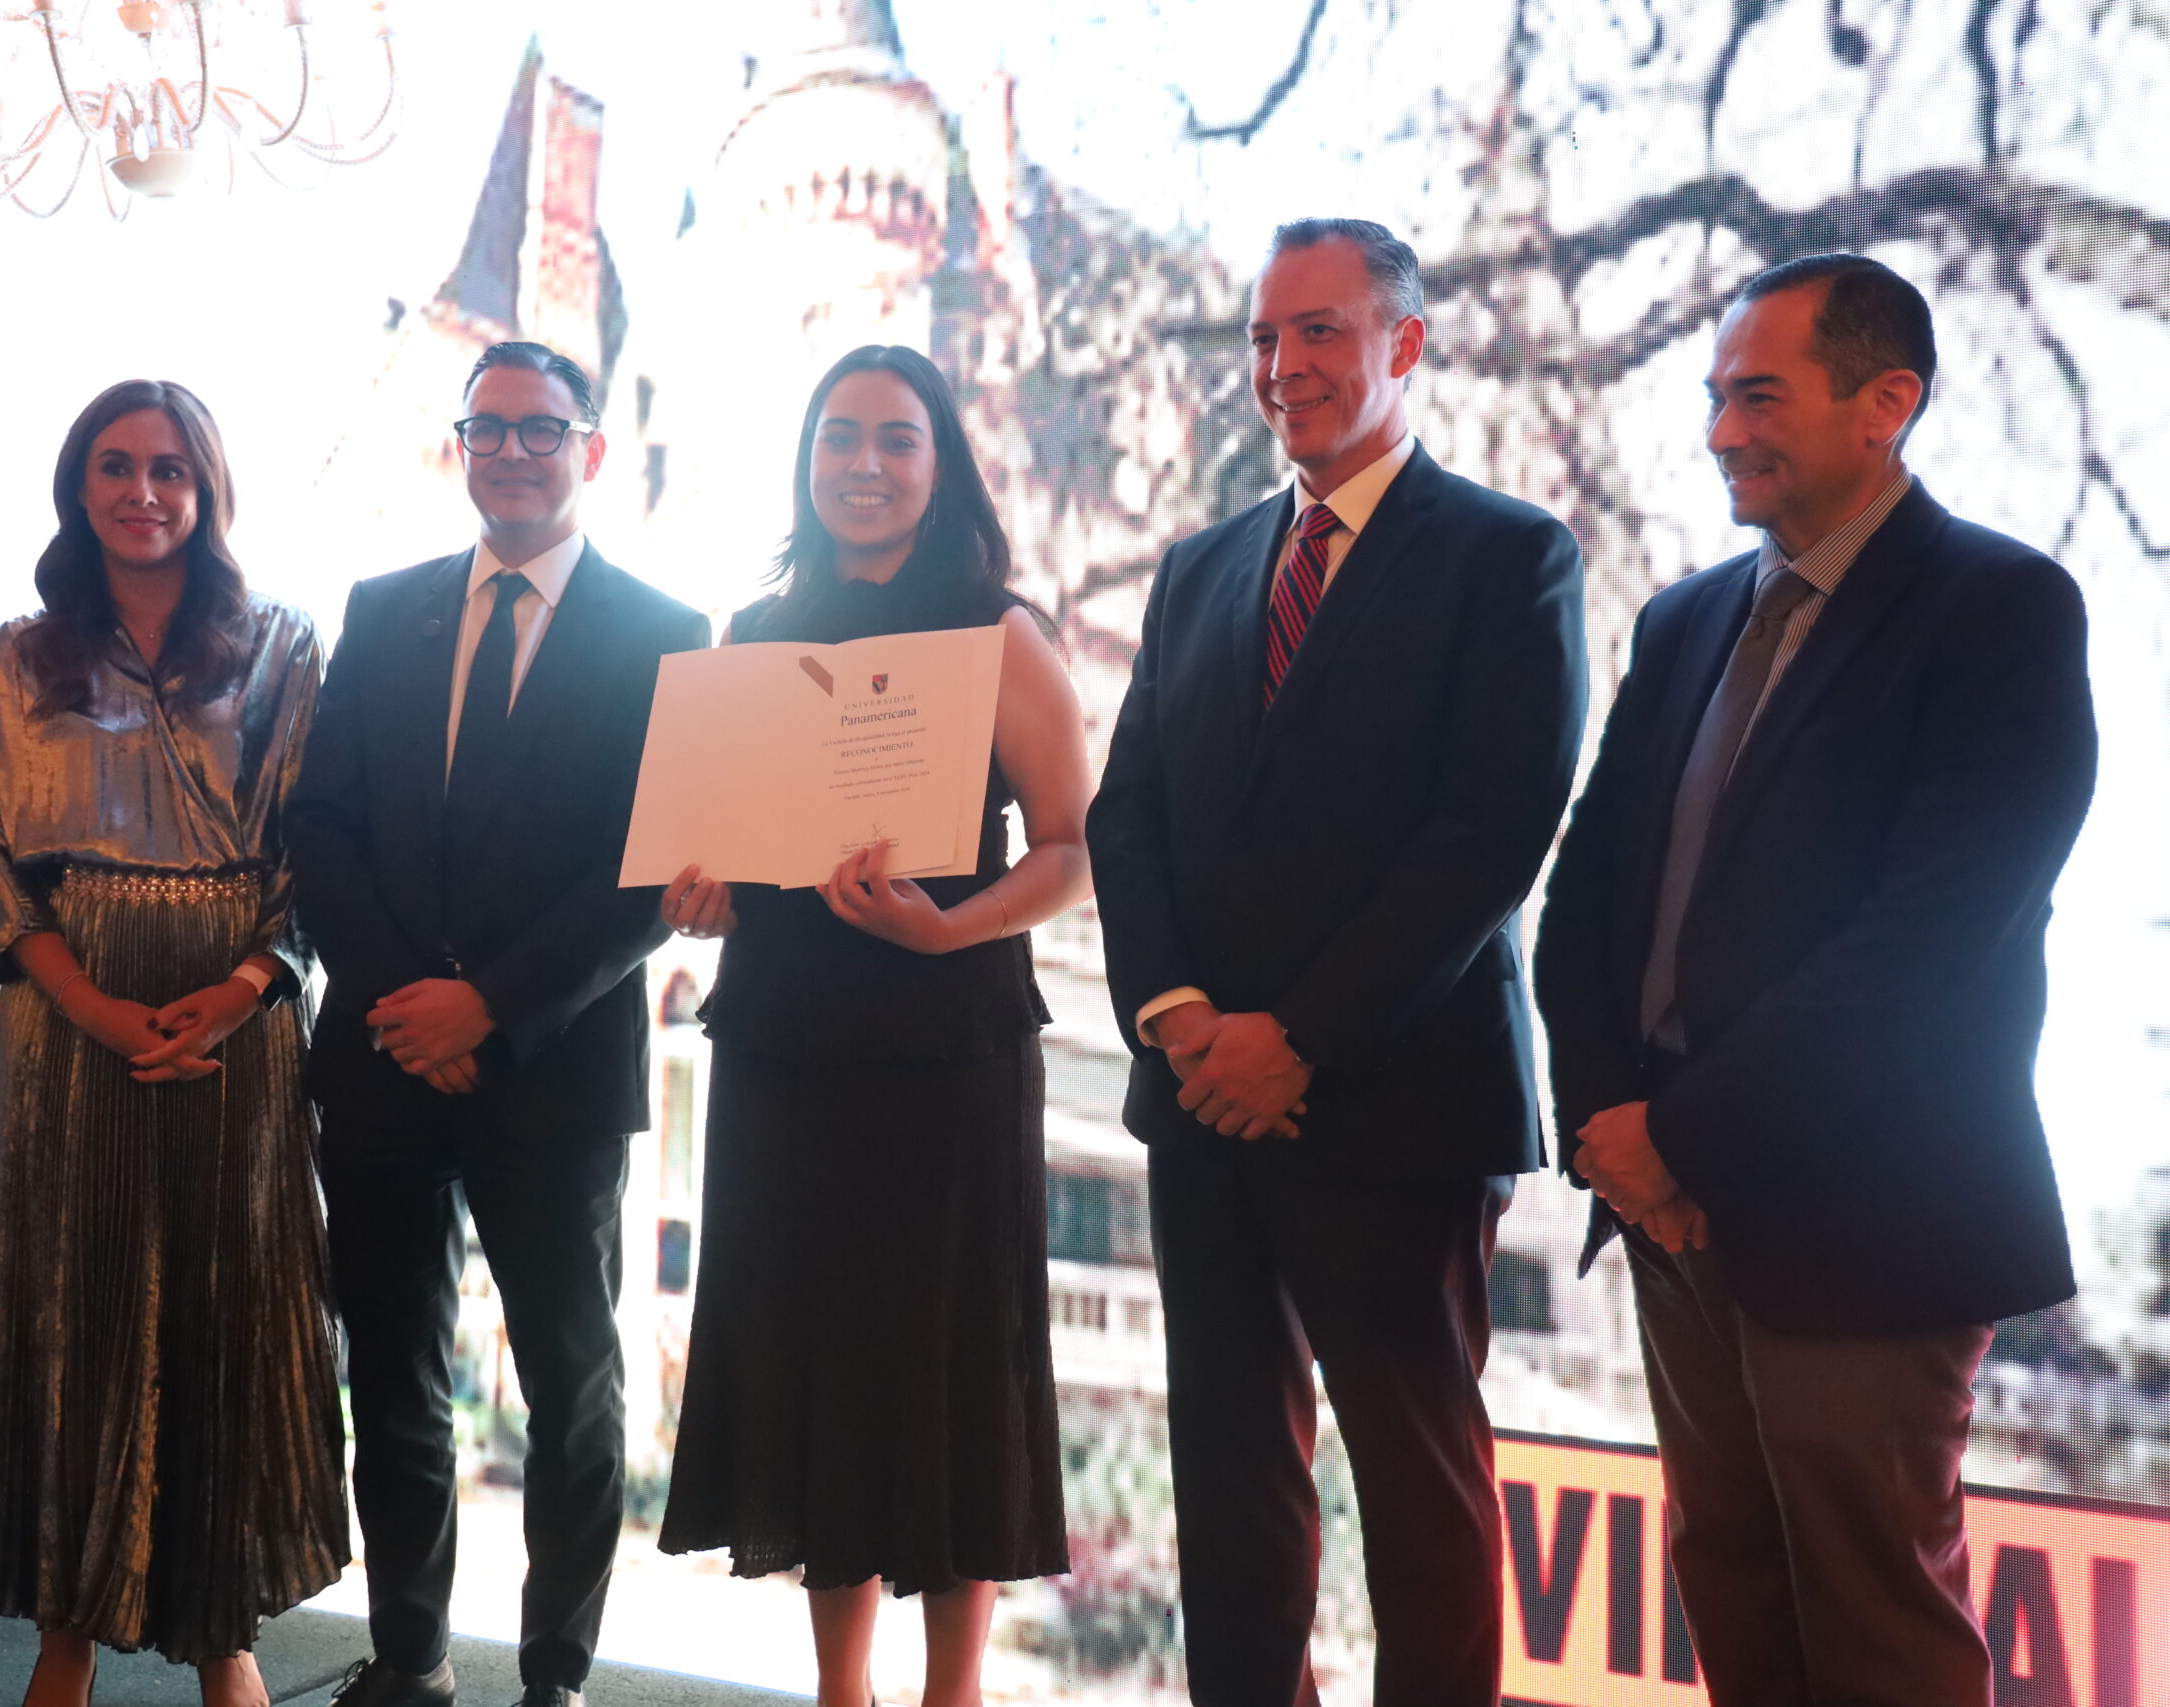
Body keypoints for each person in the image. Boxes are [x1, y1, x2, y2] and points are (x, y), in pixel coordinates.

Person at [1536, 253, 2098, 1704]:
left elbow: (1924, 950)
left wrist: (1682, 1139)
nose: (1721, 431)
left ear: (1885, 403)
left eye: (1760, 397)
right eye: (1716, 397)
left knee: (1873, 1619)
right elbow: (1587, 896)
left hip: (1870, 1219)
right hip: (1668, 1209)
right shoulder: (1684, 621)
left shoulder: (2003, 610)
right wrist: (1612, 1131)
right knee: (1731, 1583)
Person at [1085, 219, 1587, 1705]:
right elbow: (1128, 813)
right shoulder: (1199, 568)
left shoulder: (1511, 556)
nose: (1281, 365)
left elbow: (1489, 834)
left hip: (1401, 1104)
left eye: (1318, 331)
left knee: (1420, 1490)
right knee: (1230, 1482)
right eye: (1263, 337)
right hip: (1201, 1103)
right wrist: (1180, 1018)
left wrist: (1295, 1037)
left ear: (1404, 344)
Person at [654, 344, 1088, 1707]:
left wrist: (953, 929)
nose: (864, 463)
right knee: (813, 1365)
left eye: (897, 438)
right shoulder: (751, 637)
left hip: (948, 1051)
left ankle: (953, 1693)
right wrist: (702, 894)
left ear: (941, 464)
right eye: (838, 436)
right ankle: (840, 1693)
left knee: (947, 1367)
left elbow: (1075, 848)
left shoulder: (999, 633)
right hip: (783, 1047)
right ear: (807, 462)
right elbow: (723, 856)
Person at [284, 342, 710, 1707]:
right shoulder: (384, 608)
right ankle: (410, 1660)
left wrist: (491, 1005)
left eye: (542, 429)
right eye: (489, 428)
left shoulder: (668, 632)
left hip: (558, 1067)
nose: (513, 451)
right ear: (459, 447)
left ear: (592, 450)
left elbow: (652, 865)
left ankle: (554, 1681)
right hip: (383, 1061)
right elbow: (320, 829)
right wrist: (411, 1005)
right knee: (393, 1374)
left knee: (572, 1391)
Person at [0, 379, 346, 1707]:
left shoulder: (281, 646)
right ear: (79, 486)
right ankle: (66, 1633)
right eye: (116, 465)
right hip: (67, 1028)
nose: (143, 491)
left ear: (207, 491)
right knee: (72, 1310)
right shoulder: (11, 659)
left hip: (236, 1024)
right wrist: (99, 1013)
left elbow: (318, 849)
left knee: (223, 1313)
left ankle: (226, 1634)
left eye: (170, 468)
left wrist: (238, 990)